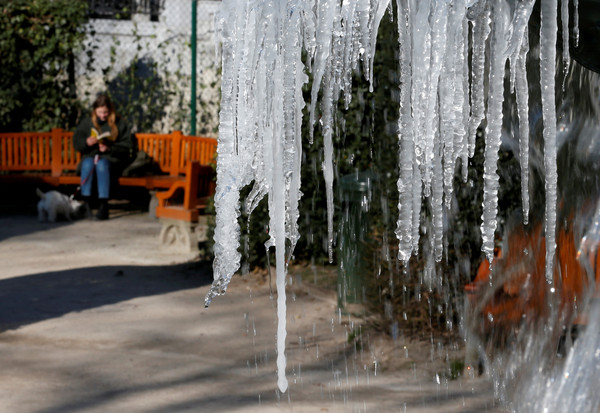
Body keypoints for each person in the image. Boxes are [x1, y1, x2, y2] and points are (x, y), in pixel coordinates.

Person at [73, 94, 134, 220]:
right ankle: (87, 204)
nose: (102, 115)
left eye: (105, 112)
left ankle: (103, 205)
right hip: (91, 156)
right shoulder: (87, 122)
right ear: (95, 110)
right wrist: (87, 142)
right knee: (87, 164)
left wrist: (109, 148)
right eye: (100, 112)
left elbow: (127, 146)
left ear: (110, 110)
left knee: (102, 165)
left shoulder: (119, 123)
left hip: (111, 159)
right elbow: (77, 142)